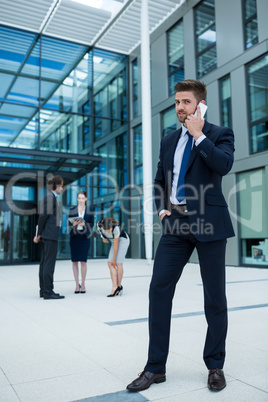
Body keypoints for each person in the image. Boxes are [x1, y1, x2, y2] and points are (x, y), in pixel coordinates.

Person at [127, 79, 235, 393]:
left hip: (210, 224)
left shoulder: (219, 134)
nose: (179, 108)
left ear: (199, 104)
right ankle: (154, 367)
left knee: (215, 298)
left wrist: (199, 135)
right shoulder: (168, 140)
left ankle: (215, 365)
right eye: (177, 102)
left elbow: (223, 165)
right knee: (159, 289)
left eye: (185, 102)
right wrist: (162, 210)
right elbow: (161, 178)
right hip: (176, 225)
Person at [33, 175, 65, 300]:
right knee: (49, 264)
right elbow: (43, 216)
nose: (62, 188)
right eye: (61, 186)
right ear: (56, 186)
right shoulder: (51, 197)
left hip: (48, 235)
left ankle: (44, 290)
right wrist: (38, 234)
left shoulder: (51, 197)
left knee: (44, 263)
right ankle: (48, 291)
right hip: (49, 236)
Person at [68, 191, 94, 294]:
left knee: (83, 261)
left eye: (82, 198)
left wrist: (84, 224)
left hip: (85, 237)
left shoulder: (90, 210)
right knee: (74, 261)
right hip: (74, 237)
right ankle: (76, 284)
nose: (81, 200)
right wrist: (74, 224)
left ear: (86, 199)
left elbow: (92, 224)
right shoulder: (72, 210)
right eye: (79, 198)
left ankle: (83, 284)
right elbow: (69, 224)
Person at [97, 217, 130, 297]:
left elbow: (116, 244)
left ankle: (118, 286)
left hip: (123, 241)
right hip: (113, 242)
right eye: (106, 231)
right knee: (110, 263)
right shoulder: (99, 225)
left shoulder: (116, 229)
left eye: (109, 230)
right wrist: (103, 238)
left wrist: (114, 259)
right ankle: (115, 286)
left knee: (118, 263)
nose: (108, 232)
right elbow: (101, 233)